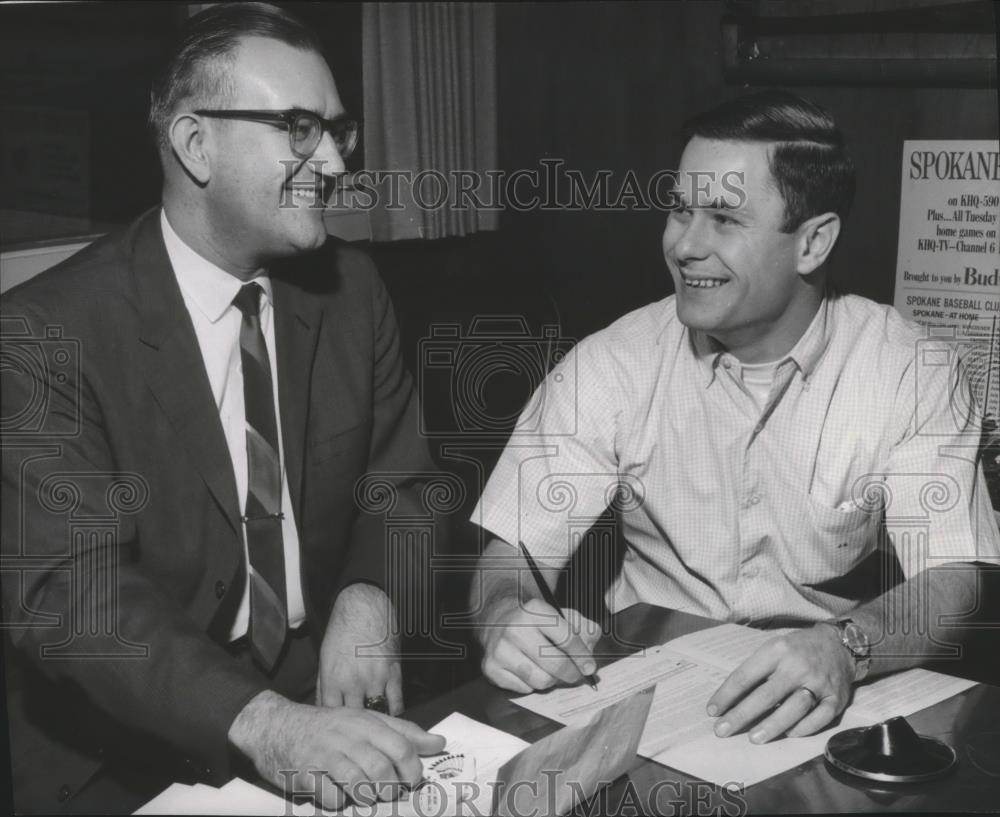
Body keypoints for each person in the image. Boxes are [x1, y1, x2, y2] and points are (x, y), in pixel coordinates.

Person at [1, 4, 445, 813]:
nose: (336, 162)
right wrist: (264, 723)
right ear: (195, 145)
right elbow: (74, 594)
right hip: (122, 750)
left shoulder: (353, 293)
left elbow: (404, 486)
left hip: (321, 702)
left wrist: (370, 595)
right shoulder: (41, 332)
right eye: (300, 128)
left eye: (340, 131)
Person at [471, 91, 1000, 745]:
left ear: (813, 242)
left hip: (830, 688)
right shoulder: (612, 362)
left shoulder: (912, 371)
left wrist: (848, 645)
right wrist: (504, 616)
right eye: (679, 209)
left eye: (723, 218)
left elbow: (950, 579)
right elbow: (511, 551)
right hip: (644, 685)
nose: (684, 245)